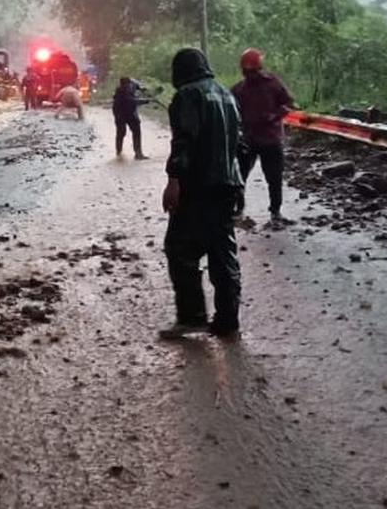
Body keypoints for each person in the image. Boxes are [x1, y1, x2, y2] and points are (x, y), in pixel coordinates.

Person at [159, 49, 245, 340]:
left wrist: (173, 180)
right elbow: (239, 145)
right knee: (223, 252)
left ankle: (192, 315)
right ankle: (227, 320)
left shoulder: (187, 95)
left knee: (179, 248)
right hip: (227, 185)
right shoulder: (226, 94)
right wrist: (239, 183)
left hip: (198, 186)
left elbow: (184, 141)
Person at [230, 48, 296, 221]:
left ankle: (275, 211)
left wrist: (274, 115)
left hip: (269, 139)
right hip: (249, 139)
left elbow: (288, 103)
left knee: (273, 177)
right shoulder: (238, 89)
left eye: (251, 70)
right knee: (240, 176)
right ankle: (239, 208)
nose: (249, 74)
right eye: (247, 71)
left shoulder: (272, 83)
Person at [112, 77, 151, 159]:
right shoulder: (121, 92)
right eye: (126, 85)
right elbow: (133, 101)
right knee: (121, 132)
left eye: (129, 84)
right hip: (121, 113)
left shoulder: (132, 84)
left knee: (136, 131)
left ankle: (138, 153)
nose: (128, 86)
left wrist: (141, 88)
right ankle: (119, 152)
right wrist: (146, 101)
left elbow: (137, 85)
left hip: (129, 113)